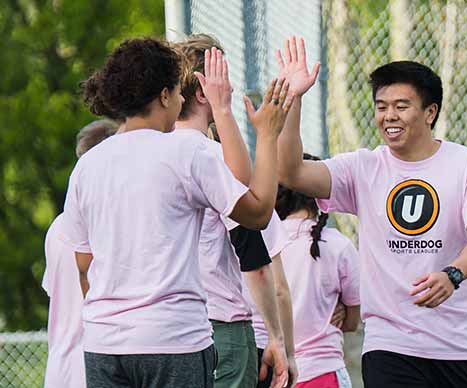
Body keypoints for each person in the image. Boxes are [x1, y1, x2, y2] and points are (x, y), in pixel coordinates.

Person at [276, 36, 467, 388]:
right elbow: (291, 171)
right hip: (391, 345)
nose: (389, 116)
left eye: (401, 106)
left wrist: (452, 275)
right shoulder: (362, 167)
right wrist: (293, 99)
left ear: (430, 112)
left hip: (464, 346)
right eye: (381, 106)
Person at [60, 37, 291, 387]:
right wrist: (268, 134)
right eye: (176, 93)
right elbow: (256, 212)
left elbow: (83, 265)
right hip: (173, 339)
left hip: (103, 344)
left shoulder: (87, 166)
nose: (182, 100)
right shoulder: (186, 151)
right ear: (164, 96)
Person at [173, 34, 293, 388]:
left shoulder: (151, 152)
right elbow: (252, 206)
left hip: (170, 329)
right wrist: (277, 337)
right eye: (224, 79)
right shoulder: (205, 156)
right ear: (202, 91)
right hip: (221, 325)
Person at [260, 153, 360, 388]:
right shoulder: (338, 245)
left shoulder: (263, 243)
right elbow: (352, 323)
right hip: (324, 372)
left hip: (274, 372)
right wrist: (343, 312)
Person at [42, 119, 118, 388]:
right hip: (96, 366)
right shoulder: (107, 222)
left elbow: (56, 292)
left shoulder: (58, 226)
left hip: (59, 366)